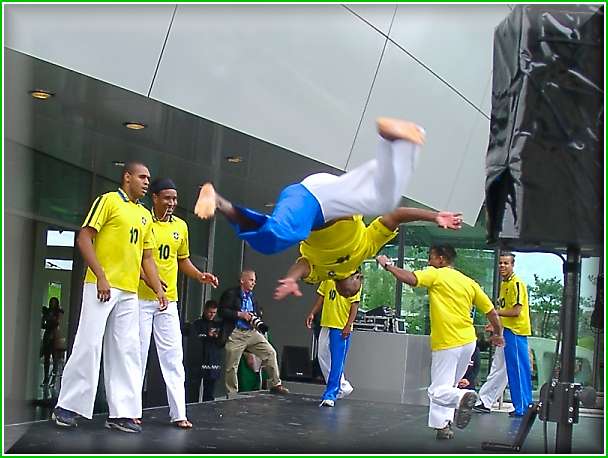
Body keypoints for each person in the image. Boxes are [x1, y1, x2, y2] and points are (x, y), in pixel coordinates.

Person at [194, 117, 463, 300]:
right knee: (385, 203)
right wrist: (434, 215)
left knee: (272, 240)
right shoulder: (367, 249)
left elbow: (303, 265)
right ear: (357, 277)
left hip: (311, 203)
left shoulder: (322, 276)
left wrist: (290, 279)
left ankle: (218, 202)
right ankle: (398, 141)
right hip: (333, 198)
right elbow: (397, 216)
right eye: (356, 289)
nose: (351, 293)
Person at [53, 162, 167, 433]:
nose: (146, 181)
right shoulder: (108, 201)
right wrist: (101, 276)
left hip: (128, 291)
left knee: (127, 350)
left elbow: (146, 257)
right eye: (142, 176)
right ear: (127, 177)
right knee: (89, 344)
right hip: (100, 286)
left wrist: (157, 287)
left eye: (149, 178)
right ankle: (67, 407)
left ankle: (122, 414)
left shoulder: (144, 214)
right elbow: (84, 238)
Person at [377, 245, 504, 440]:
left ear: (442, 259)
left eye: (431, 257)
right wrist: (498, 333)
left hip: (448, 342)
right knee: (448, 385)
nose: (429, 261)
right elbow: (491, 312)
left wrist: (388, 265)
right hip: (468, 343)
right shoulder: (469, 282)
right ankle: (443, 426)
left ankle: (464, 397)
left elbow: (411, 278)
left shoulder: (436, 274)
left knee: (437, 391)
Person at [138, 178, 219, 428]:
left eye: (174, 199)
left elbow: (182, 260)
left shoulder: (181, 227)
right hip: (140, 299)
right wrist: (148, 280)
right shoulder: (143, 220)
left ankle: (179, 413)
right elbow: (136, 258)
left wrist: (199, 275)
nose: (172, 203)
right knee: (137, 355)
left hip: (168, 301)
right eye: (167, 198)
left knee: (173, 357)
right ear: (155, 198)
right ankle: (131, 411)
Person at [474, 252, 532, 417]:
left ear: (512, 265)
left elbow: (516, 310)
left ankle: (523, 406)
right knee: (499, 368)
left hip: (516, 332)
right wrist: (495, 324)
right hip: (506, 331)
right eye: (500, 263)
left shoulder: (517, 284)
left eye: (506, 263)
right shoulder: (504, 284)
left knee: (517, 369)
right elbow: (506, 312)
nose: (502, 266)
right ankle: (485, 401)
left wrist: (494, 313)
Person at [218, 270, 289, 397]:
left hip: (251, 332)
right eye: (251, 280)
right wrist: (240, 314)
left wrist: (256, 321)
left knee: (270, 352)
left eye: (254, 280)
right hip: (236, 333)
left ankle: (276, 384)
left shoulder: (252, 297)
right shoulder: (231, 294)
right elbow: (222, 312)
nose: (253, 283)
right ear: (242, 280)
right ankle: (232, 393)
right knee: (232, 365)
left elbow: (256, 315)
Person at [305, 275, 361, 407]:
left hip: (341, 326)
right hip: (326, 322)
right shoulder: (328, 277)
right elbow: (322, 297)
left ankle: (331, 394)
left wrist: (348, 325)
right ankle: (342, 386)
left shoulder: (353, 279)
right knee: (322, 356)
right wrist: (313, 313)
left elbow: (355, 305)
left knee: (337, 360)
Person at [187, 300, 224, 402]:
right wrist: (207, 335)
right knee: (193, 389)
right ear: (205, 310)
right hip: (198, 360)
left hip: (212, 360)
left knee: (209, 391)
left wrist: (217, 336)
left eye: (214, 313)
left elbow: (222, 342)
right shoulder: (197, 324)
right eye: (210, 312)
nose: (212, 315)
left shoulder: (218, 325)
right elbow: (193, 339)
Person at [40, 297, 64, 387]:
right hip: (48, 335)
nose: (53, 304)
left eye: (54, 303)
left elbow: (58, 323)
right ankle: (46, 378)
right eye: (51, 302)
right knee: (47, 359)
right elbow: (42, 324)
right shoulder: (47, 312)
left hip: (55, 336)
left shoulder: (59, 312)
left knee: (55, 359)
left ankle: (53, 380)